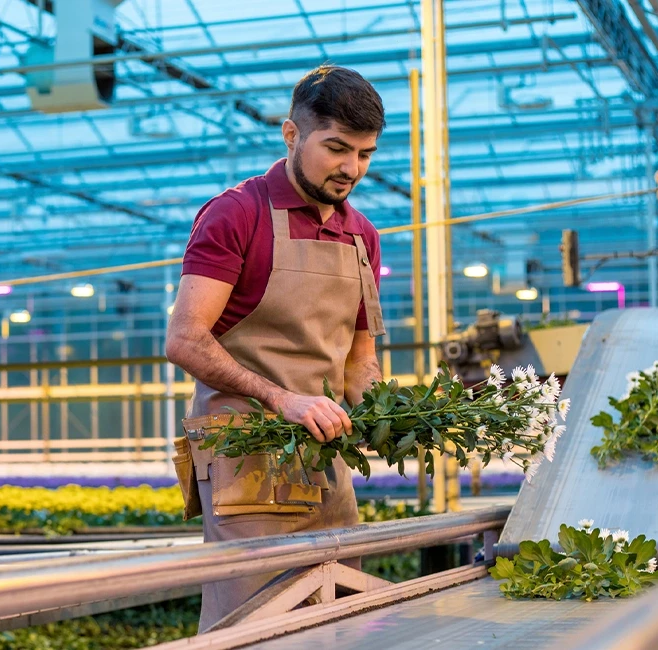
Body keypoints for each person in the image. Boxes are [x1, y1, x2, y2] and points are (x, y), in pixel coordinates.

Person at [165, 65, 387, 632]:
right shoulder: (236, 214)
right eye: (337, 149)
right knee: (253, 621)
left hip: (326, 456)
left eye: (364, 154)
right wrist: (281, 398)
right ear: (292, 135)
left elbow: (360, 354)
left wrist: (385, 413)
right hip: (248, 455)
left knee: (336, 615)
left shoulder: (362, 235)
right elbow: (184, 339)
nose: (351, 169)